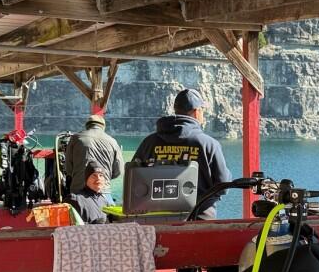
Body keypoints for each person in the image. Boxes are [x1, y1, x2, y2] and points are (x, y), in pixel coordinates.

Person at [132, 89, 231, 220]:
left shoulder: (149, 142)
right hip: (199, 219)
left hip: (156, 219)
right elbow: (223, 185)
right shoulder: (208, 144)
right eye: (202, 110)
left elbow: (133, 178)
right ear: (197, 112)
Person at [65, 107, 122, 196]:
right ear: (103, 126)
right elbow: (118, 171)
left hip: (79, 191)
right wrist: (102, 177)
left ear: (87, 125)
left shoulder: (76, 138)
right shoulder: (113, 142)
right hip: (103, 191)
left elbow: (68, 168)